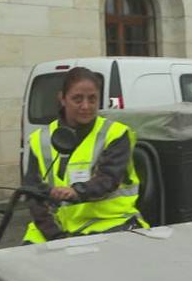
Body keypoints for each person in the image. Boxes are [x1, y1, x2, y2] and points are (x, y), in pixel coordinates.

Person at [22, 67, 147, 243]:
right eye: (77, 99)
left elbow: (108, 180)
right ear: (62, 99)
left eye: (92, 99)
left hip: (108, 223)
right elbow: (33, 193)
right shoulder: (39, 140)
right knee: (18, 264)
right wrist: (56, 236)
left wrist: (75, 192)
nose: (86, 106)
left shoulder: (115, 134)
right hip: (57, 226)